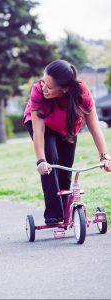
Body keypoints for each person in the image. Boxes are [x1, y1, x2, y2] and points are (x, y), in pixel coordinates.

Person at [23, 59, 111, 225]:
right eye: (43, 81)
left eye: (49, 87)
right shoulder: (38, 91)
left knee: (66, 167)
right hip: (42, 126)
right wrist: (41, 160)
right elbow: (39, 131)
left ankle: (66, 212)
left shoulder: (81, 93)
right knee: (51, 159)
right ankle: (53, 214)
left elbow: (94, 127)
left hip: (67, 127)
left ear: (65, 89)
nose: (43, 87)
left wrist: (104, 156)